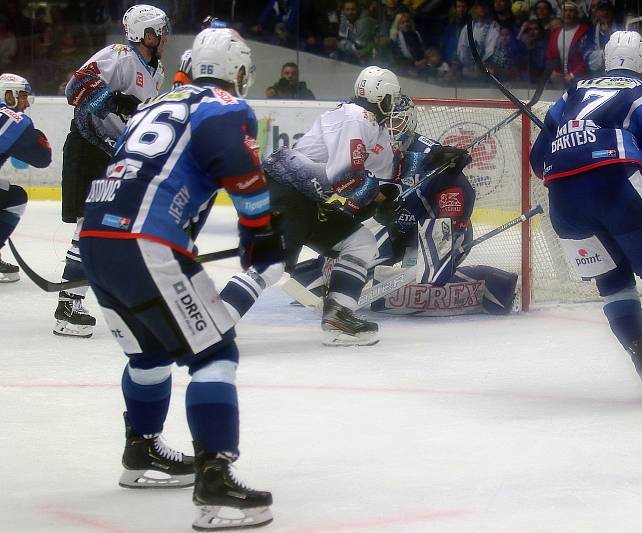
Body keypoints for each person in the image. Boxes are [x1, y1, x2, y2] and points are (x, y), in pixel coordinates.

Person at [79, 27, 283, 530]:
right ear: (238, 70)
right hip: (146, 239)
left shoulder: (156, 104)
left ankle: (142, 451)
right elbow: (234, 160)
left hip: (96, 235)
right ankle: (215, 478)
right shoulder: (224, 104)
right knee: (214, 353)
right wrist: (258, 231)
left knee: (147, 354)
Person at [530, 31, 642, 404]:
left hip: (563, 200)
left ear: (606, 60)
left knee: (613, 284)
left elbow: (537, 161)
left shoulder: (571, 93)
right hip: (616, 187)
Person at [291, 95, 520, 316]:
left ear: (409, 121)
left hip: (436, 231)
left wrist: (451, 229)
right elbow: (362, 192)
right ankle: (320, 274)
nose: (390, 127)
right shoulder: (373, 149)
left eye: (397, 120)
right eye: (387, 120)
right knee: (345, 261)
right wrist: (349, 212)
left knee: (428, 287)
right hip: (397, 232)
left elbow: (462, 190)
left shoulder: (430, 154)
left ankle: (497, 284)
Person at [228, 66, 401, 346]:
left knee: (360, 242)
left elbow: (390, 168)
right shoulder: (357, 118)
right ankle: (212, 326)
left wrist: (433, 159)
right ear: (382, 98)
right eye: (392, 98)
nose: (393, 105)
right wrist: (378, 200)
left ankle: (339, 316)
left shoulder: (371, 126)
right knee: (271, 267)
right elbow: (345, 175)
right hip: (283, 190)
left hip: (309, 200)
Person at [56, 4, 169, 338]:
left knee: (119, 227)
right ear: (146, 33)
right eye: (159, 30)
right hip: (89, 148)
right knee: (88, 224)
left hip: (118, 155)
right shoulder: (118, 55)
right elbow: (74, 91)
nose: (164, 37)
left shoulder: (156, 69)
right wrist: (113, 98)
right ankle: (68, 304)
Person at [0, 73, 51, 282]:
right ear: (8, 95)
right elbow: (42, 158)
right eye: (22, 96)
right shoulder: (16, 120)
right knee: (16, 198)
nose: (26, 103)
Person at [173, 16, 228, 89]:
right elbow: (179, 84)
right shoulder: (191, 55)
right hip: (196, 98)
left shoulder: (230, 56)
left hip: (222, 97)